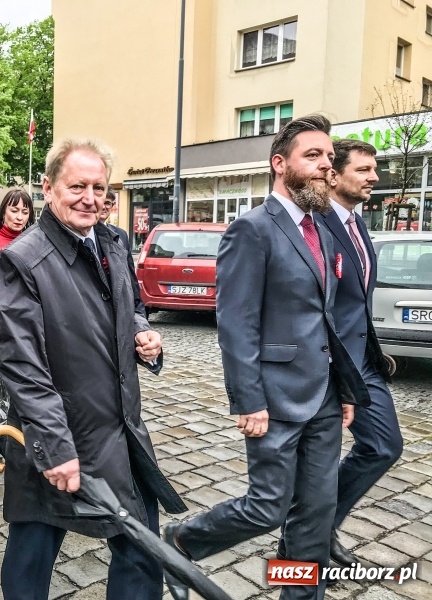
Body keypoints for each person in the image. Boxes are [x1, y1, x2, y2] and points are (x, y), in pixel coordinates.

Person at [162, 115, 370, 600]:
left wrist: (344, 387)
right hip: (274, 397)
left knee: (316, 513)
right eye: (312, 156)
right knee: (267, 507)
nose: (326, 165)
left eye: (328, 156)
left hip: (323, 395)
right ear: (280, 163)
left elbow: (327, 317)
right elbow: (236, 323)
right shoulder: (251, 229)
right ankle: (180, 542)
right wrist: (248, 399)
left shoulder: (322, 229)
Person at [0, 138, 186, 600]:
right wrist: (56, 447)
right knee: (32, 555)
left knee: (142, 554)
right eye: (77, 186)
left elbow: (131, 306)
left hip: (122, 431)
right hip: (58, 435)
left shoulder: (114, 242)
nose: (90, 198)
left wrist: (143, 334)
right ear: (48, 188)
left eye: (99, 188)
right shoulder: (21, 260)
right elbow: (23, 365)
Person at [314, 139, 403, 565]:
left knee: (384, 446)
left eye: (374, 169)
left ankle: (322, 526)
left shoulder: (357, 225)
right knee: (315, 465)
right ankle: (307, 541)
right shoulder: (315, 226)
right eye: (364, 169)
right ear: (334, 175)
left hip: (362, 361)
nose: (374, 177)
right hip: (328, 363)